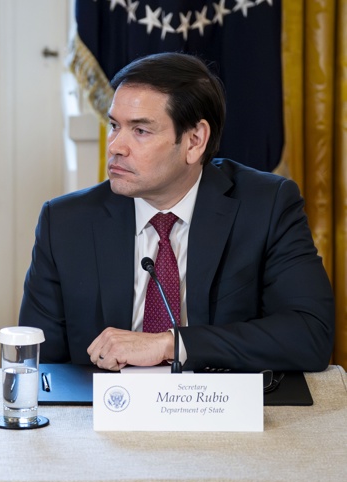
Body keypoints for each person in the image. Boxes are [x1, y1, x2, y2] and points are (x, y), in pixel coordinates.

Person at [19, 52, 334, 373]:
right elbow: (39, 365)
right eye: (114, 125)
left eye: (140, 131)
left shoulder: (266, 205)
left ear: (195, 141)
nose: (115, 146)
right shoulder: (66, 223)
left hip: (219, 408)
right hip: (106, 409)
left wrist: (172, 344)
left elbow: (310, 335)